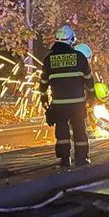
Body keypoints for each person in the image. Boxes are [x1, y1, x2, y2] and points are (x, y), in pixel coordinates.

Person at [40, 26, 94, 167]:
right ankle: (82, 159)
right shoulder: (79, 57)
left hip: (59, 104)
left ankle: (64, 159)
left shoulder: (49, 59)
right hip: (77, 104)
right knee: (79, 131)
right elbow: (89, 80)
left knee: (62, 132)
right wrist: (92, 96)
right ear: (71, 40)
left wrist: (44, 98)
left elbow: (43, 82)